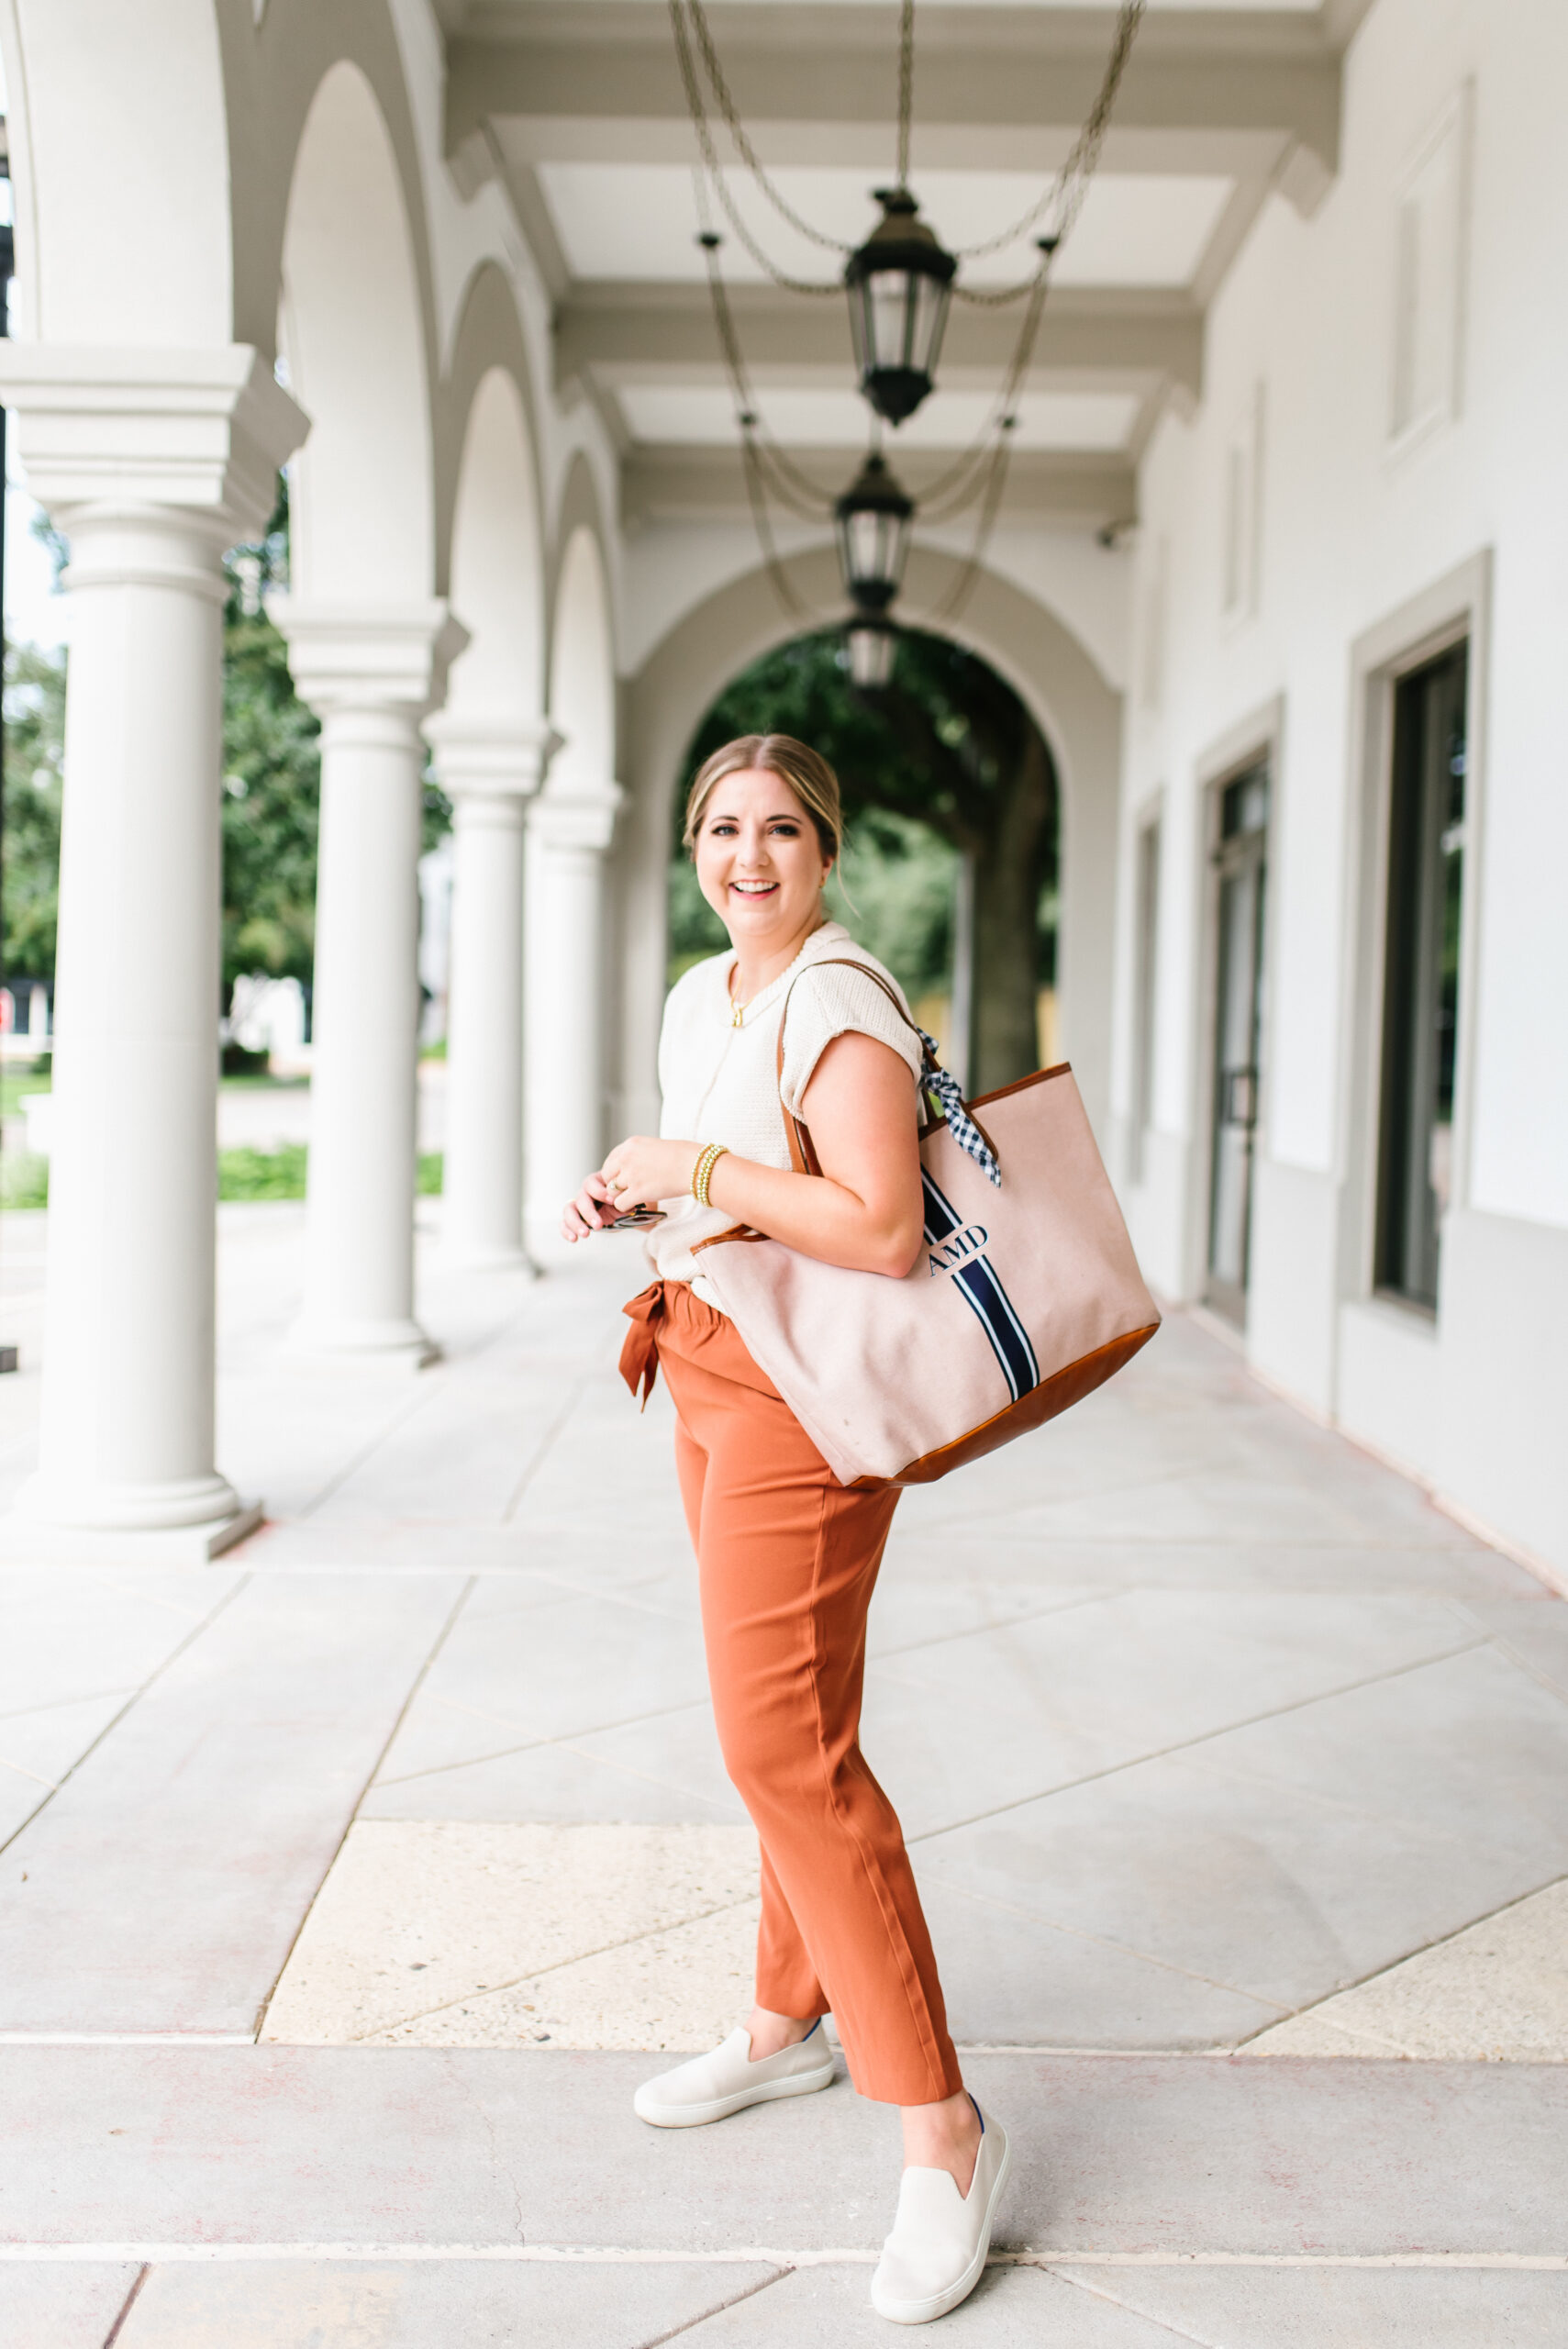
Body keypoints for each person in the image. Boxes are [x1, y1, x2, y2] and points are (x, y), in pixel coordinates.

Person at [562, 733, 1010, 2326]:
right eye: (719, 828)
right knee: (788, 1723)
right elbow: (757, 1191)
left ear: (825, 847)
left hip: (800, 1410)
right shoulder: (710, 995)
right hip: (703, 1358)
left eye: (777, 830)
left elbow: (881, 1230)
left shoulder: (838, 997)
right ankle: (782, 2018)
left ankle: (943, 2133)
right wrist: (652, 1197)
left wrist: (690, 1161)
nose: (745, 855)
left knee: (781, 1753)